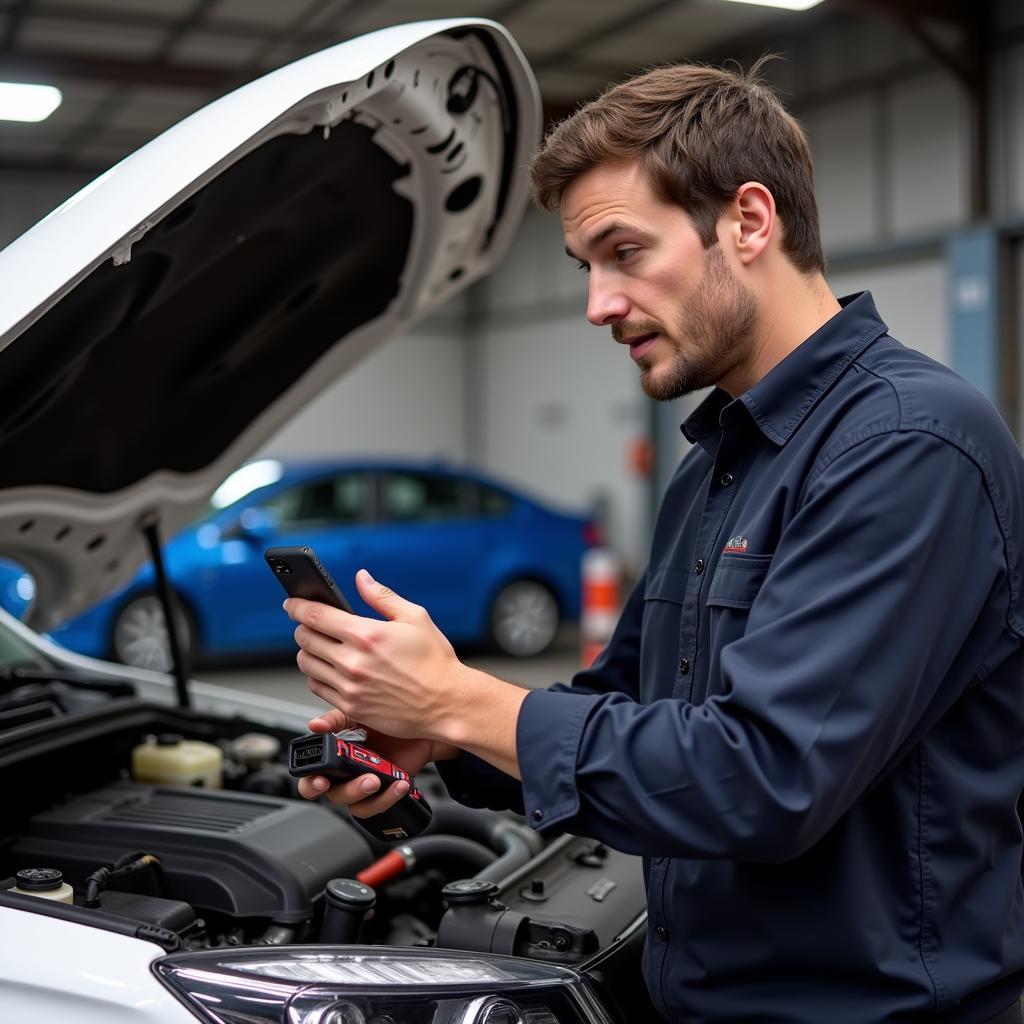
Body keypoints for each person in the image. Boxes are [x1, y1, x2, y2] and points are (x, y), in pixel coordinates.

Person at [284, 59, 1024, 1023]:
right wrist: (443, 734)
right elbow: (627, 703)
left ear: (749, 222)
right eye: (586, 267)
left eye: (624, 252)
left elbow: (763, 777)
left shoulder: (909, 447)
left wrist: (463, 697)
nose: (597, 303)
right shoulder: (721, 456)